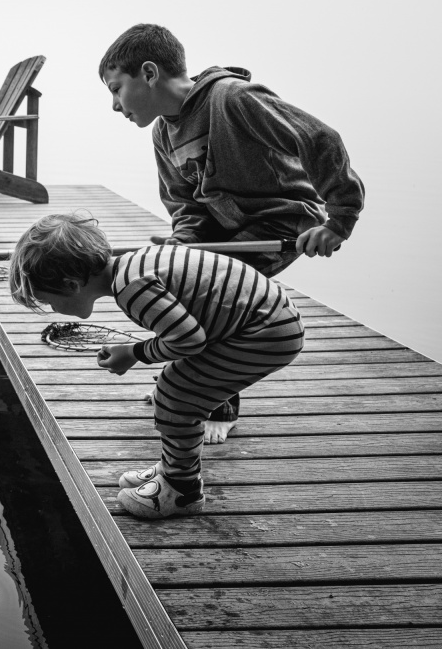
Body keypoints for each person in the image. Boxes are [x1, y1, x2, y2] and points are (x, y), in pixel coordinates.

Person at [98, 23, 364, 444]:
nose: (114, 105)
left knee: (209, 295)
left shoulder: (233, 99)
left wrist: (338, 219)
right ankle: (189, 379)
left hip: (281, 221)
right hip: (225, 230)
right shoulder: (163, 132)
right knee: (178, 277)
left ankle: (214, 400)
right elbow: (184, 204)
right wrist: (181, 247)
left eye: (116, 88)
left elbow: (318, 138)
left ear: (148, 73)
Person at [9, 213, 305, 519]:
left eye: (47, 301)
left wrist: (134, 353)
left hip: (263, 334)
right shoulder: (133, 265)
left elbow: (189, 340)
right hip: (265, 322)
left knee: (176, 394)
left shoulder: (131, 289)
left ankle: (181, 490)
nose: (52, 309)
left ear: (71, 285)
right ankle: (173, 468)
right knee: (175, 385)